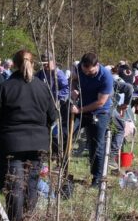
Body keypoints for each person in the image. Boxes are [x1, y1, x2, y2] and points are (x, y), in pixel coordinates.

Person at [0, 50, 58, 221]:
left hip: (10, 145)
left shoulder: (5, 87)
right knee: (31, 185)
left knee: (15, 186)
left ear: (13, 64)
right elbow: (53, 116)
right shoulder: (42, 88)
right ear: (33, 63)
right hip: (37, 144)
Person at [72, 52, 113, 187]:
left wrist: (80, 110)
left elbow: (100, 102)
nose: (87, 74)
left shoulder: (106, 76)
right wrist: (73, 90)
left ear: (97, 65)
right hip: (80, 108)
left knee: (96, 145)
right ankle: (62, 168)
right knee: (67, 133)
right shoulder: (79, 68)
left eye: (90, 72)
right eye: (85, 71)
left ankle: (97, 179)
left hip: (99, 112)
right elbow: (73, 79)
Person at [37, 53, 71, 161]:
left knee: (54, 130)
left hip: (55, 105)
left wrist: (54, 96)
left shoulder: (58, 74)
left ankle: (56, 153)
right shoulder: (40, 73)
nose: (45, 66)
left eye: (47, 64)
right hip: (42, 105)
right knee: (43, 129)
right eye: (44, 64)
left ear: (53, 62)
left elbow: (66, 89)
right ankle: (44, 151)